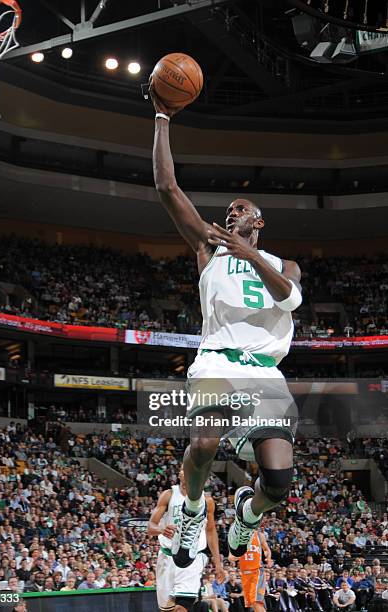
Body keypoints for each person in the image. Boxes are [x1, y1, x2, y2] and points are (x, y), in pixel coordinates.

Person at [150, 82, 301, 569]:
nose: (232, 213)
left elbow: (289, 297)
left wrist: (252, 255)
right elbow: (166, 187)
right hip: (216, 361)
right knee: (205, 441)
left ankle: (248, 514)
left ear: (260, 222)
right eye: (229, 210)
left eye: (242, 210)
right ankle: (193, 510)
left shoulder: (284, 262)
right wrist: (162, 118)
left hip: (266, 375)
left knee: (279, 483)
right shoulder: (208, 247)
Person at [148, 467, 224, 612]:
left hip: (192, 558)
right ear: (179, 475)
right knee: (167, 609)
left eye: (188, 468)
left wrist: (218, 563)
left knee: (181, 608)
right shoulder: (169, 495)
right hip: (167, 556)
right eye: (182, 469)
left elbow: (211, 531)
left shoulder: (207, 500)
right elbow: (150, 527)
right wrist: (161, 530)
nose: (185, 471)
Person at [238, 530, 272, 612]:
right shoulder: (238, 535)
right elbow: (232, 556)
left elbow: (266, 549)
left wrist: (268, 558)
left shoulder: (260, 535)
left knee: (256, 602)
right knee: (253, 604)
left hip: (257, 572)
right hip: (245, 573)